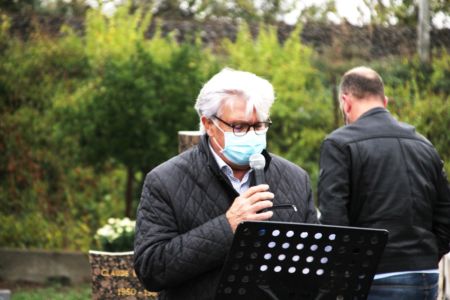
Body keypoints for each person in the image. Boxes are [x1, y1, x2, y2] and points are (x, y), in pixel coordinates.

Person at [134, 68, 318, 300]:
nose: (251, 135)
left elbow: (313, 263)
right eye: (239, 127)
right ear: (208, 124)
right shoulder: (164, 181)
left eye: (259, 126)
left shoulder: (295, 178)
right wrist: (228, 226)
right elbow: (152, 269)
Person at [318, 66, 450, 299]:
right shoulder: (424, 145)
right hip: (425, 274)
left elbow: (333, 220)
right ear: (385, 101)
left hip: (372, 275)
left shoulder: (339, 144)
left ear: (346, 102)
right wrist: (426, 255)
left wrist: (344, 273)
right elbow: (446, 213)